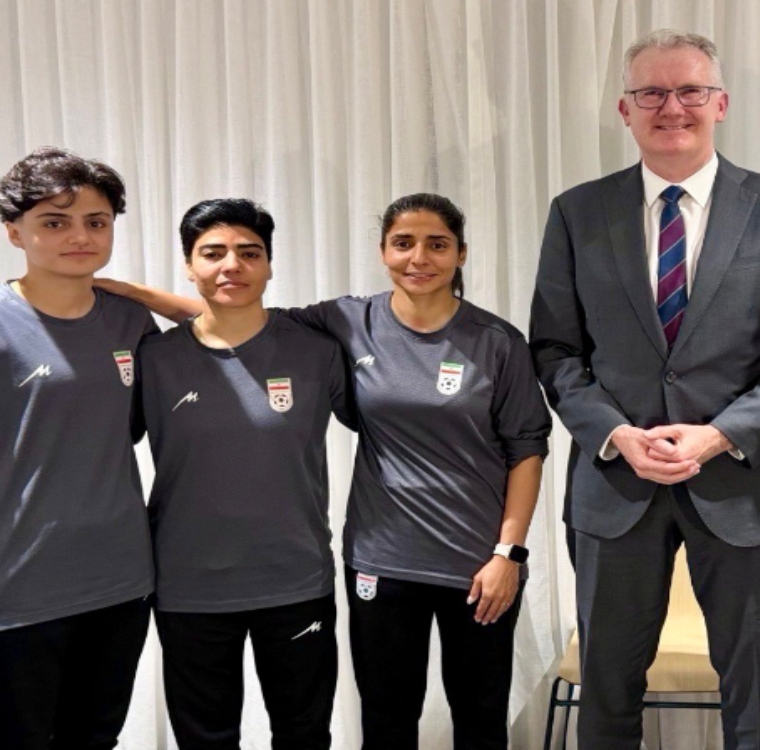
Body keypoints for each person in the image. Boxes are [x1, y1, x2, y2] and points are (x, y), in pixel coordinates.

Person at [100, 192, 550, 750]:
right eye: (403, 243)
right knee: (385, 720)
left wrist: (510, 553)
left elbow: (526, 449)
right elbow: (233, 312)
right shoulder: (345, 322)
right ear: (382, 252)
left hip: (473, 562)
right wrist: (128, 293)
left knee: (478, 717)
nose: (419, 258)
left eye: (437, 244)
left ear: (461, 253)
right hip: (376, 560)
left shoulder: (494, 341)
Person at [529, 29, 760, 750]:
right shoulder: (578, 213)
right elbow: (554, 350)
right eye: (652, 93)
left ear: (721, 103)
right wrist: (615, 434)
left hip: (750, 490)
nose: (672, 107)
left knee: (756, 699)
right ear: (625, 110)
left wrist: (721, 434)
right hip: (616, 488)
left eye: (690, 91)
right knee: (607, 693)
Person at [139, 199, 354, 749]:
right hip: (188, 585)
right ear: (189, 266)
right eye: (213, 253)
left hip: (295, 578)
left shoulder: (317, 351)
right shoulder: (153, 358)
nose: (231, 265)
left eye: (249, 253)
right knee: (205, 739)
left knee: (304, 734)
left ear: (270, 265)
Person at [0, 147, 156, 749]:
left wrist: (141, 294)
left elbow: (239, 328)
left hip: (119, 582)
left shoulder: (130, 323)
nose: (80, 237)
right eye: (55, 222)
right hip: (18, 588)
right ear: (15, 232)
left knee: (94, 739)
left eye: (96, 222)